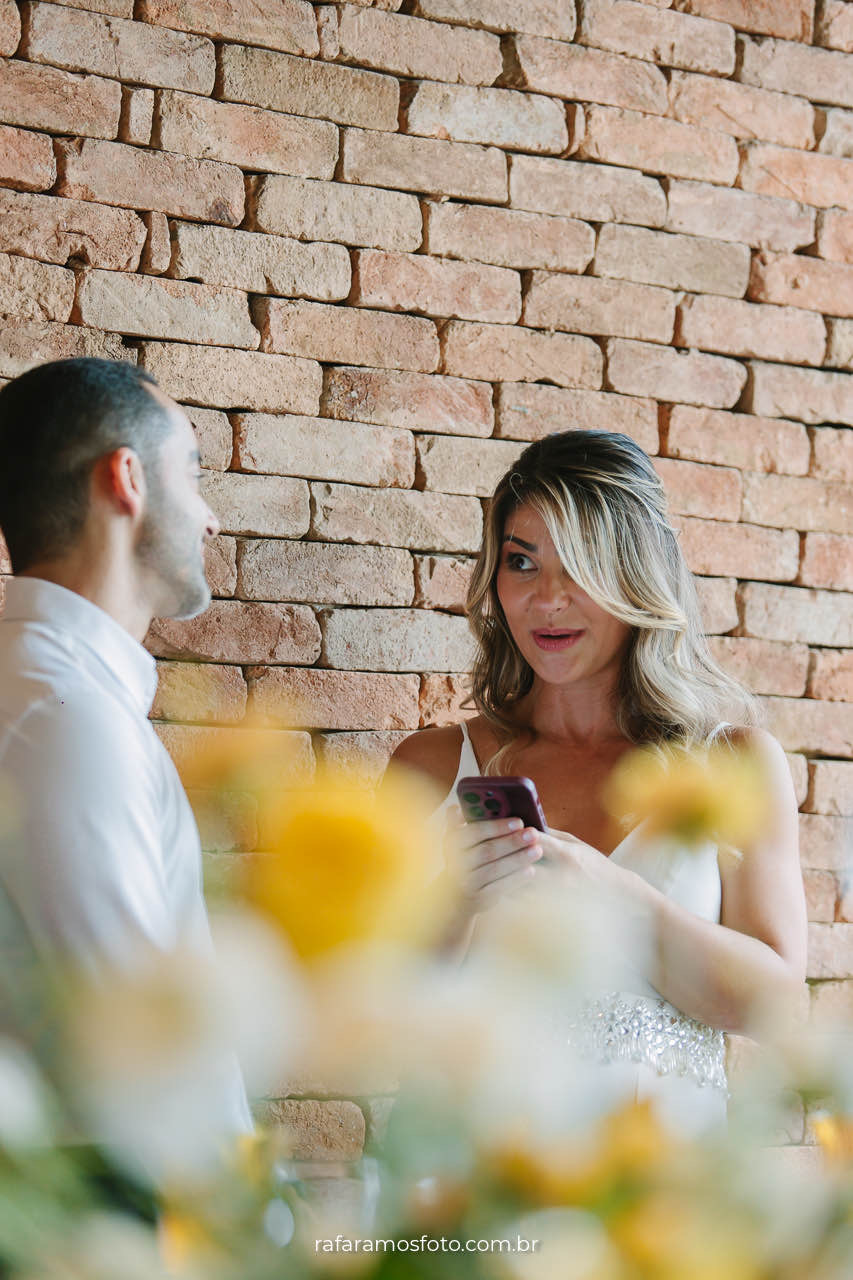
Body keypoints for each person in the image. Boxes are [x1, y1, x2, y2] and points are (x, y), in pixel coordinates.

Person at [390, 430, 807, 1129]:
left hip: (658, 1195)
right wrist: (457, 898)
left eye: (580, 565)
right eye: (521, 562)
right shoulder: (430, 766)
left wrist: (608, 889)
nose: (546, 599)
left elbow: (775, 1007)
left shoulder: (732, 764)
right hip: (472, 1181)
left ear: (638, 574)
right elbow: (378, 1013)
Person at [0, 357, 253, 1185]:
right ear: (129, 478)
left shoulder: (42, 690)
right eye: (195, 473)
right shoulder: (66, 719)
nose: (212, 518)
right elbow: (149, 1052)